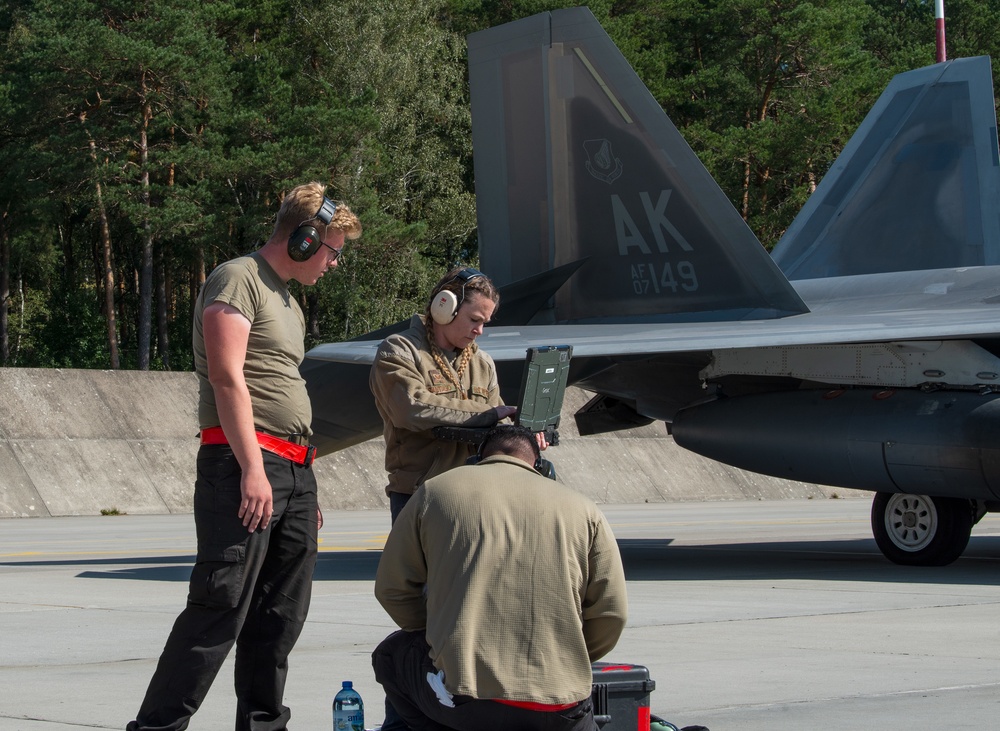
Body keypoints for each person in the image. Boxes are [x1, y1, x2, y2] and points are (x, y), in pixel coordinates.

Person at [126, 182, 362, 731]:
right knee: (220, 607)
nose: (333, 262)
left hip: (293, 468)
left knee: (279, 617)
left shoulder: (287, 299)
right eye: (332, 250)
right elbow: (227, 377)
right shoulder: (238, 279)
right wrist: (255, 468)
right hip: (242, 465)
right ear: (304, 240)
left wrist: (302, 479)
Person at [372, 424, 629, 731]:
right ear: (539, 466)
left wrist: (438, 638)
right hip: (560, 708)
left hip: (468, 703)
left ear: (478, 460)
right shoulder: (585, 510)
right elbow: (612, 612)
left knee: (390, 656)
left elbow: (392, 590)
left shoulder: (434, 493)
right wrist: (568, 655)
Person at [369, 266, 519, 524]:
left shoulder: (482, 363)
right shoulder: (400, 350)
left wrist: (523, 435)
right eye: (474, 320)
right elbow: (411, 407)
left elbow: (500, 420)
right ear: (445, 307)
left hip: (476, 494)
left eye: (484, 322)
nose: (479, 330)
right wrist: (485, 414)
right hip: (421, 495)